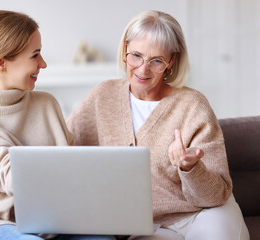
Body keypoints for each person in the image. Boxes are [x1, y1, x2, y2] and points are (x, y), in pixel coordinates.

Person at [66, 10, 249, 240]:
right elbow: (63, 147)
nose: (143, 69)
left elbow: (216, 196)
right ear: (125, 49)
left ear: (171, 61)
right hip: (145, 226)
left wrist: (190, 169)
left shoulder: (193, 105)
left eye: (156, 61)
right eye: (136, 55)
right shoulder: (103, 96)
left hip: (202, 214)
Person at [0, 10, 116, 240]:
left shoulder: (46, 103)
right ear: (1, 63)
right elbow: (17, 177)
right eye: (35, 55)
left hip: (54, 223)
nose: (43, 64)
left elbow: (70, 165)